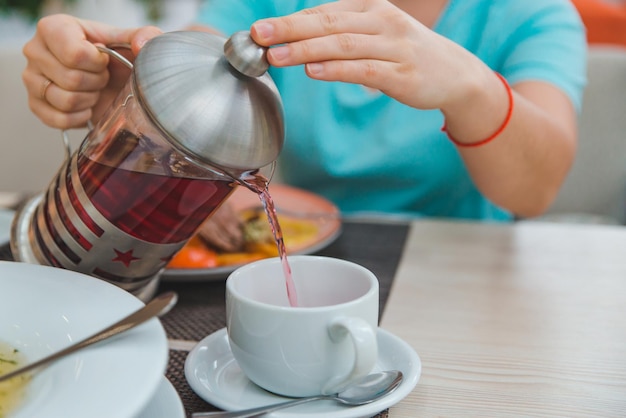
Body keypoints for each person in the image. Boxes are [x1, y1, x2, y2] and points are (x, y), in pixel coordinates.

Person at [22, 0, 586, 250]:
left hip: (463, 272)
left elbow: (533, 190)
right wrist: (114, 88)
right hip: (305, 254)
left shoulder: (533, 14)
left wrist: (470, 84)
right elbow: (190, 78)